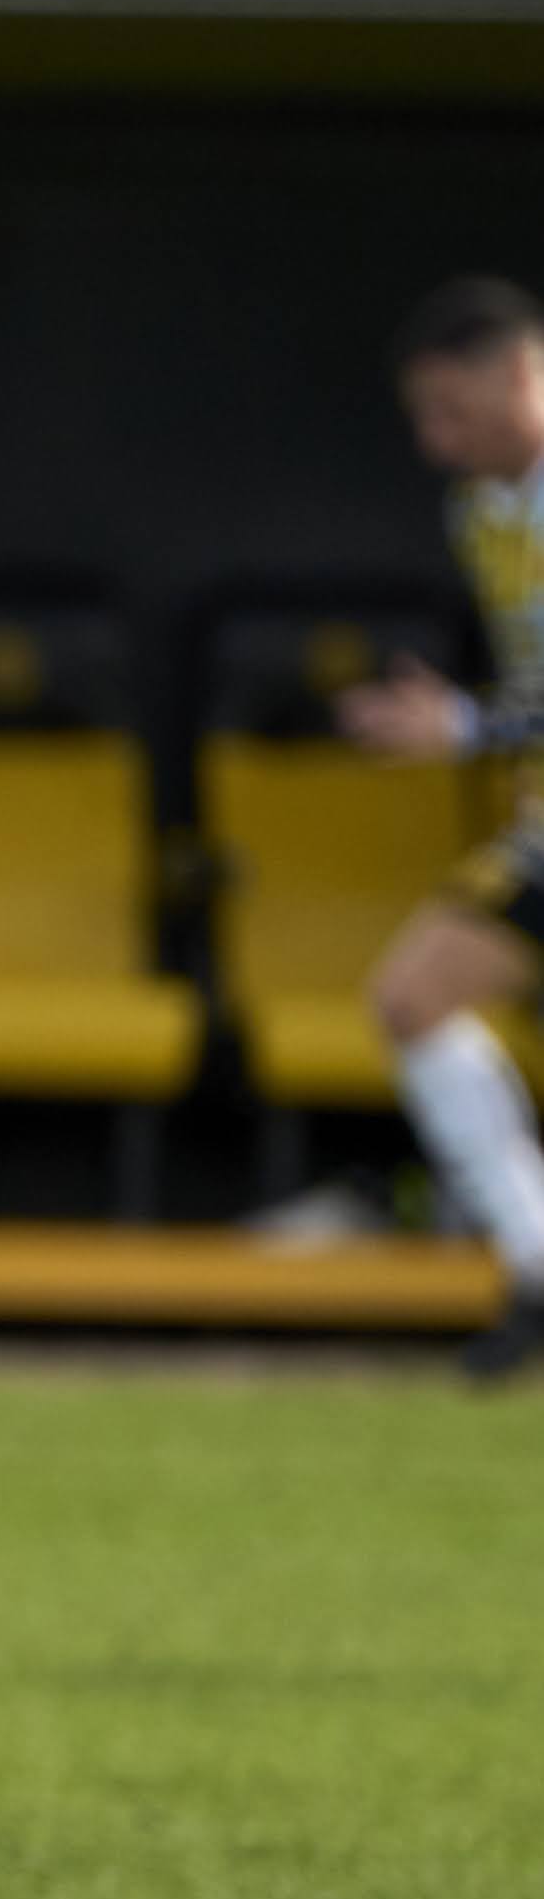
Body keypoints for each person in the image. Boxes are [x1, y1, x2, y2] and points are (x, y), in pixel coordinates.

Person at [352, 274, 544, 1377]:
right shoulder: (483, 511)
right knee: (413, 997)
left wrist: (466, 723)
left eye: (452, 412)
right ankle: (533, 1264)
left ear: (522, 375)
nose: (436, 442)